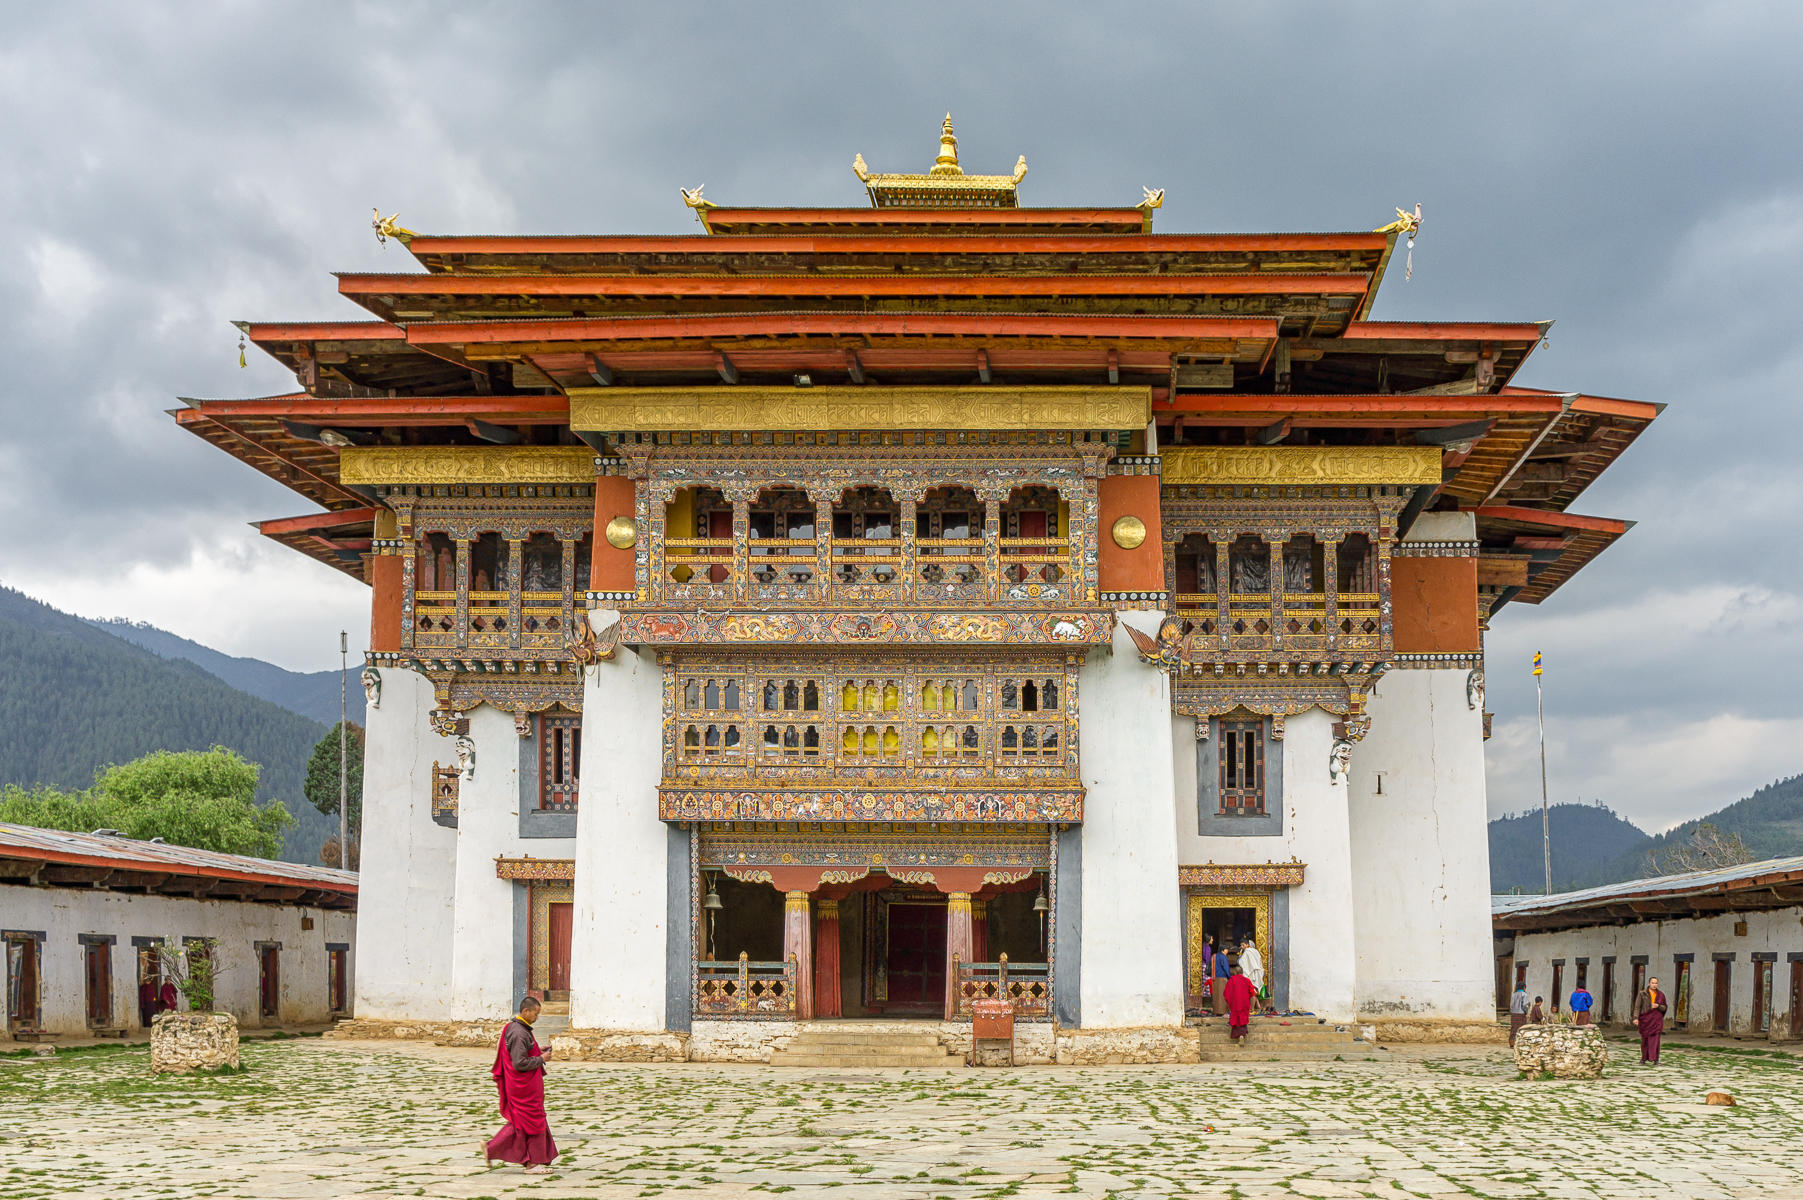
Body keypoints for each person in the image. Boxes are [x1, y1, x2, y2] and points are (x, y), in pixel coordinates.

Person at [486, 997, 557, 1173]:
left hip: (525, 1087)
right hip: (522, 1088)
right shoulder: (518, 1032)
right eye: (535, 1013)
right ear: (526, 1011)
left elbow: (522, 1053)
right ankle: (532, 1163)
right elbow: (519, 1063)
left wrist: (537, 1051)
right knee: (532, 1122)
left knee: (523, 1123)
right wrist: (540, 1059)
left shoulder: (519, 1029)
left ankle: (492, 1149)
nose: (537, 1017)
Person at [1633, 977, 1668, 1066]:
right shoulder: (1642, 994)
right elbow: (1637, 1007)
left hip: (1656, 1020)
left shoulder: (1661, 995)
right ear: (1649, 983)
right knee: (1645, 1040)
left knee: (1656, 1040)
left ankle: (1656, 1059)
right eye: (1652, 983)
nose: (1654, 985)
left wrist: (1658, 1006)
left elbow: (1664, 1007)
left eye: (1656, 983)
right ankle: (1643, 1058)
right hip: (1646, 1020)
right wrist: (1635, 1018)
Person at [1224, 964, 1257, 1043]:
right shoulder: (1247, 980)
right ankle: (1242, 1035)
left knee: (1236, 1019)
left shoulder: (1231, 980)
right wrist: (1252, 1007)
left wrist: (1229, 1006)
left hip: (1235, 1004)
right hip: (1245, 1004)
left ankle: (1237, 1036)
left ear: (1235, 972)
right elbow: (1252, 995)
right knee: (1243, 1019)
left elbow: (1226, 994)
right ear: (1242, 972)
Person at [1239, 937, 1265, 1004]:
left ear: (1247, 945)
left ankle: (1252, 1008)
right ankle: (1258, 1006)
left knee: (1251, 992)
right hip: (1257, 972)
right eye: (1241, 945)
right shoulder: (1255, 951)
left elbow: (1242, 963)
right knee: (1255, 990)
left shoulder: (1247, 952)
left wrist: (1239, 957)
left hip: (1250, 973)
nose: (1242, 947)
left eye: (1243, 945)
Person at [1212, 940, 1231, 1016]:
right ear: (1223, 950)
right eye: (1227, 949)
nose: (1228, 951)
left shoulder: (1214, 956)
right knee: (1223, 995)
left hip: (1214, 978)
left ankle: (1216, 1011)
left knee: (1216, 995)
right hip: (1222, 978)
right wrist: (1229, 977)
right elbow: (1226, 968)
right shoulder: (1223, 957)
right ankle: (1222, 1011)